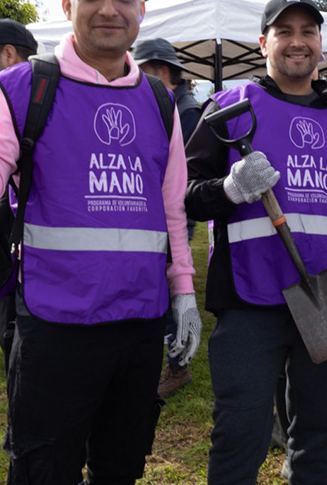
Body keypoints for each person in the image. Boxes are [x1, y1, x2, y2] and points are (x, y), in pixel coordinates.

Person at [0, 0, 201, 484]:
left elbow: (171, 209)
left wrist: (185, 292)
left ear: (140, 9)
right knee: (43, 470)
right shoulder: (21, 88)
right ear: (67, 4)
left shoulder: (159, 100)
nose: (109, 9)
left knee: (120, 468)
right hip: (56, 326)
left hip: (138, 326)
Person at [185, 0, 327, 484]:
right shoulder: (228, 108)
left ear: (321, 45)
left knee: (316, 438)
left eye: (307, 31)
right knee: (239, 432)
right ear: (264, 43)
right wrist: (229, 189)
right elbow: (184, 195)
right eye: (284, 32)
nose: (297, 42)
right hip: (250, 300)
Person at [134, 37, 203, 397]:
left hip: (172, 213)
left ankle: (178, 366)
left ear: (161, 70)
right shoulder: (167, 103)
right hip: (155, 212)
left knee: (172, 288)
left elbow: (181, 173)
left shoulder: (184, 111)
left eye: (141, 69)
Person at [0, 18, 39, 374]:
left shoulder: (16, 99)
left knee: (18, 333)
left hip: (23, 236)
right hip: (6, 228)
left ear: (8, 54)